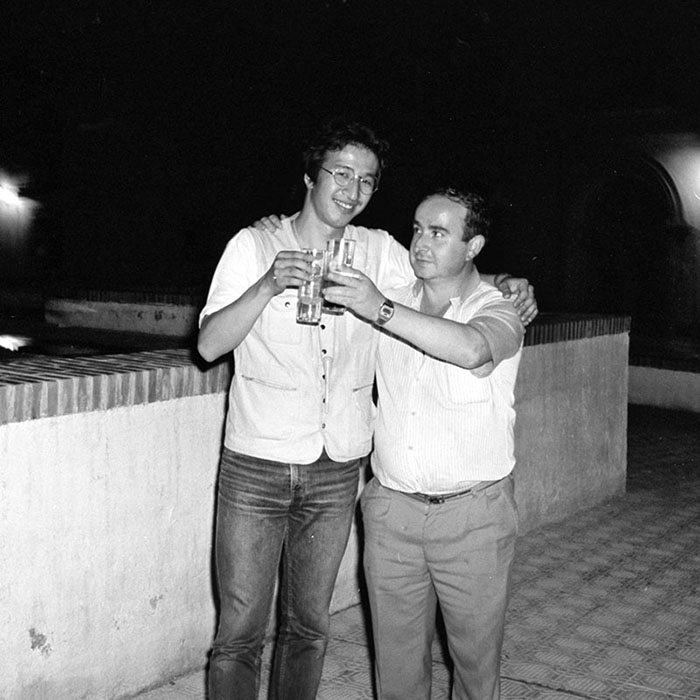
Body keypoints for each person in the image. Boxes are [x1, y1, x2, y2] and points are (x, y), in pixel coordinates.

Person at [197, 120, 535, 700]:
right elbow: (207, 347)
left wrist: (509, 282)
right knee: (240, 630)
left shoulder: (379, 251)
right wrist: (267, 284)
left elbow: (444, 273)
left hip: (337, 466)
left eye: (367, 180)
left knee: (310, 626)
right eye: (341, 173)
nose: (352, 190)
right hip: (258, 461)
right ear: (311, 176)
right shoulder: (252, 246)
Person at [323, 186, 523, 700]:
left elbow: (472, 348)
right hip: (392, 514)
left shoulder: (498, 309)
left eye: (438, 233)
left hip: (473, 519)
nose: (420, 243)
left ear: (473, 246)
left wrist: (381, 309)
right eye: (416, 229)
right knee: (396, 670)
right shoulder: (396, 292)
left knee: (475, 668)